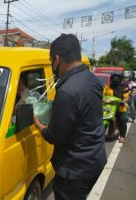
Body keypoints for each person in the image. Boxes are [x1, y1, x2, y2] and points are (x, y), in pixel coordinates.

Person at [33, 34, 107, 200]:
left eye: (52, 61)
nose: (52, 66)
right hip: (95, 158)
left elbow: (55, 136)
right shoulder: (91, 79)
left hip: (75, 170)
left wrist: (39, 124)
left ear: (57, 59)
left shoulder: (67, 90)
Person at [104, 72, 130, 143]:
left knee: (122, 121)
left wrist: (124, 101)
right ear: (111, 79)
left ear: (120, 78)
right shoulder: (108, 86)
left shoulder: (124, 86)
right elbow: (103, 94)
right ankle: (108, 133)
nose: (115, 79)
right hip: (109, 107)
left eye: (117, 77)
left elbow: (127, 97)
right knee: (108, 120)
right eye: (114, 77)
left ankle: (122, 136)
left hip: (120, 108)